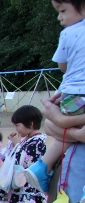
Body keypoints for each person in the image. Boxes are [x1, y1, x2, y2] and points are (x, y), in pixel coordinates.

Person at [19, 0, 85, 190]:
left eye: (63, 11)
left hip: (70, 94)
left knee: (59, 136)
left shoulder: (68, 33)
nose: (59, 17)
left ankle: (42, 166)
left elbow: (62, 66)